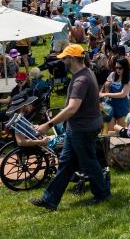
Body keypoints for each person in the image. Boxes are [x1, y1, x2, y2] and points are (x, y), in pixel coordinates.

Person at [30, 44, 111, 210]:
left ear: (72, 59)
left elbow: (73, 108)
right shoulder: (86, 72)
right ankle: (49, 200)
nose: (62, 61)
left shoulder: (81, 79)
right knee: (66, 163)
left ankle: (103, 194)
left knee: (89, 162)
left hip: (82, 129)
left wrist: (48, 124)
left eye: (65, 58)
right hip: (80, 127)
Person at [100, 57, 130, 133]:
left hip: (122, 106)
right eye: (116, 67)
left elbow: (122, 94)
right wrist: (100, 92)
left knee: (122, 131)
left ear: (125, 68)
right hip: (109, 106)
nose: (117, 70)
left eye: (120, 68)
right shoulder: (112, 75)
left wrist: (105, 94)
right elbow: (106, 84)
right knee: (109, 131)